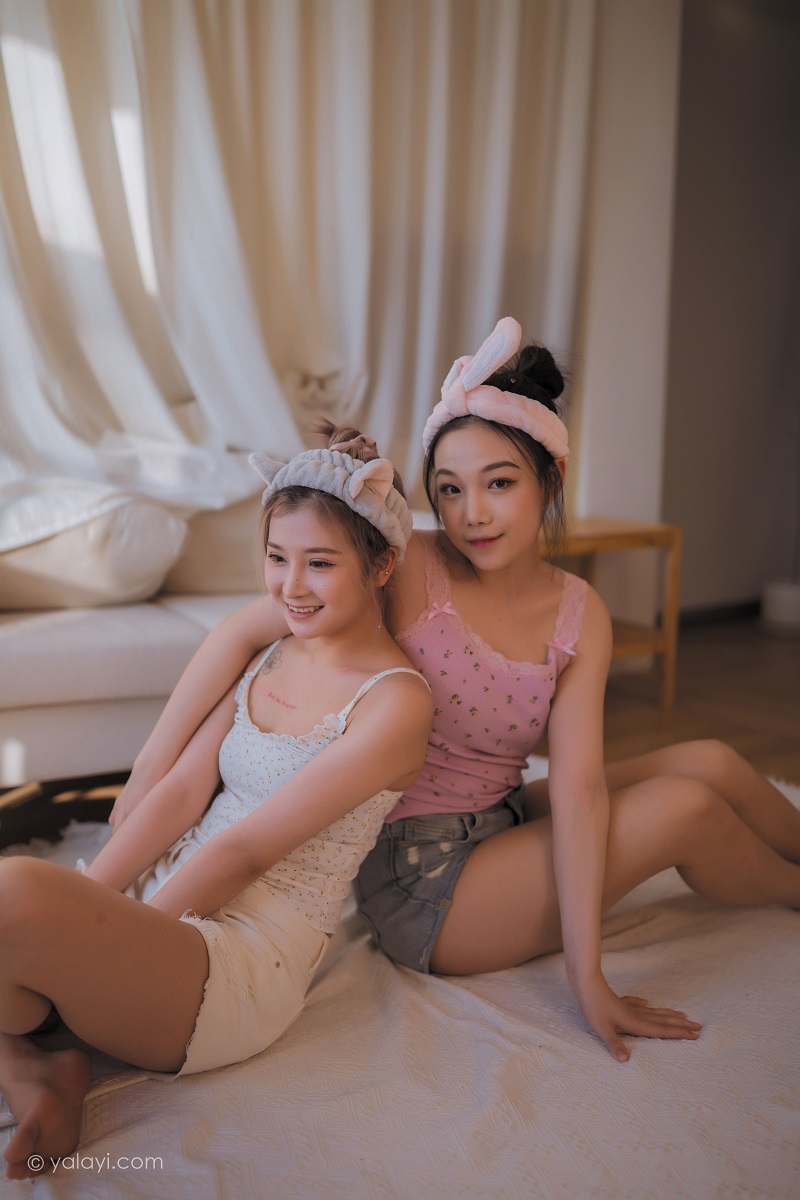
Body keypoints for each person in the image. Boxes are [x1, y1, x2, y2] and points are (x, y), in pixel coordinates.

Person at [107, 317, 800, 1070]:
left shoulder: (579, 613)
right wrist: (148, 772)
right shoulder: (407, 566)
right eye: (450, 489)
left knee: (712, 761)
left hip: (498, 817)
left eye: (499, 483)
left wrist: (584, 963)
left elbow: (579, 790)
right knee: (687, 809)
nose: (473, 512)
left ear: (550, 481)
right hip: (422, 882)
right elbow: (241, 632)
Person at [0, 443, 433, 1181]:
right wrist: (97, 905)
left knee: (16, 893)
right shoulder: (276, 650)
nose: (291, 587)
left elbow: (245, 853)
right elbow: (179, 793)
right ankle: (39, 1070)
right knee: (23, 912)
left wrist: (116, 936)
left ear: (381, 564)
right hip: (169, 895)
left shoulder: (395, 702)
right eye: (277, 557)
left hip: (240, 960)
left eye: (320, 563)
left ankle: (38, 1044)